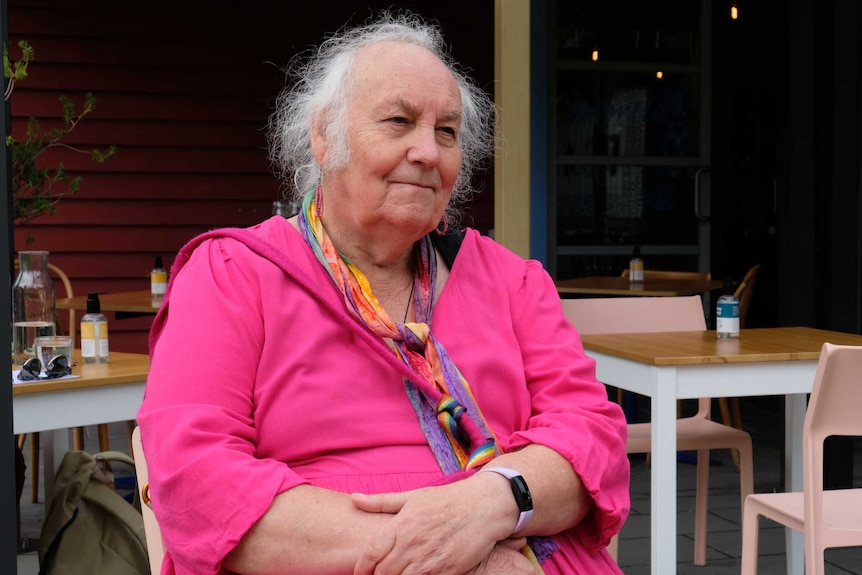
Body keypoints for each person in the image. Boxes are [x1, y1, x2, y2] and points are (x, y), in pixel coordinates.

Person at [137, 11, 629, 575]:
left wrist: (492, 504)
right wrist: (451, 555)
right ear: (325, 136)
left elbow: (593, 438)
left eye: (447, 131)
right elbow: (194, 477)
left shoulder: (512, 281)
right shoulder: (232, 273)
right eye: (399, 121)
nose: (428, 152)